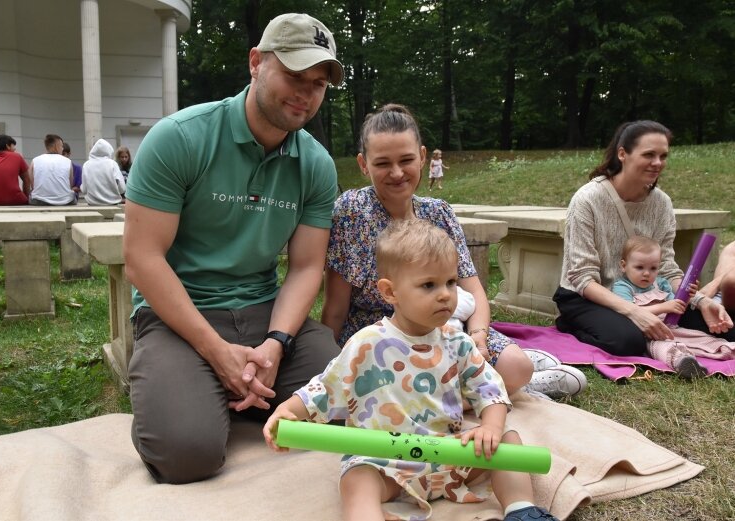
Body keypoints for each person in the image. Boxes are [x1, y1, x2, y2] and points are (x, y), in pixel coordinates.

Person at [123, 12, 345, 485]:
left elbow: (307, 268)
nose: (306, 93)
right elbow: (142, 259)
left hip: (266, 315)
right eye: (294, 75)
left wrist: (276, 344)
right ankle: (198, 394)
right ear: (255, 62)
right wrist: (217, 351)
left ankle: (238, 390)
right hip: (179, 316)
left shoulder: (316, 164)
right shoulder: (179, 138)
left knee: (353, 407)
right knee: (187, 455)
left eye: (320, 83)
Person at [263, 219, 558, 521]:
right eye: (429, 285)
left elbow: (489, 389)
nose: (445, 294)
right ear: (390, 292)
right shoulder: (366, 344)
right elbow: (324, 389)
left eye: (451, 282)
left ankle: (521, 509)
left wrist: (490, 429)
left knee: (508, 441)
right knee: (357, 477)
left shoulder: (456, 341)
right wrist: (287, 411)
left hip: (449, 455)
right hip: (387, 464)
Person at [322, 104, 586, 399]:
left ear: (422, 156)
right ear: (363, 163)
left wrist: (478, 339)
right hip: (383, 335)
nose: (397, 173)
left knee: (516, 367)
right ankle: (507, 389)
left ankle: (520, 378)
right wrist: (329, 370)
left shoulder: (439, 213)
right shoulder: (351, 212)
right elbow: (335, 307)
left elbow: (473, 290)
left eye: (406, 160)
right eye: (383, 163)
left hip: (446, 328)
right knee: (411, 390)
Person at [553, 120, 735, 357]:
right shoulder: (587, 199)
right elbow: (582, 278)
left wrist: (702, 302)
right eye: (649, 154)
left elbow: (668, 270)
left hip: (648, 294)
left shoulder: (662, 203)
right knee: (629, 341)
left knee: (727, 330)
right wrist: (633, 312)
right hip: (587, 297)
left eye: (663, 156)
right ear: (622, 154)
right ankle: (569, 324)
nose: (658, 163)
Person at [611, 236, 733, 376]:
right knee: (664, 348)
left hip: (671, 328)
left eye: (653, 268)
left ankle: (727, 349)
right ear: (623, 266)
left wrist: (688, 296)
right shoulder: (622, 287)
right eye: (639, 267)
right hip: (649, 335)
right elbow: (631, 312)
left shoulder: (660, 283)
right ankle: (684, 363)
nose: (646, 273)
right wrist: (664, 307)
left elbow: (676, 306)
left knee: (701, 338)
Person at [28, 134, 76, 206]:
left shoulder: (35, 161)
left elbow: (33, 185)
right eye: (61, 146)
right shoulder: (67, 161)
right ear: (56, 146)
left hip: (39, 200)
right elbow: (70, 184)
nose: (62, 148)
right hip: (65, 200)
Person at [80, 139, 126, 205]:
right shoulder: (112, 164)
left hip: (92, 204)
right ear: (109, 150)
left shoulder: (86, 165)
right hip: (112, 203)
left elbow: (84, 190)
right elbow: (122, 188)